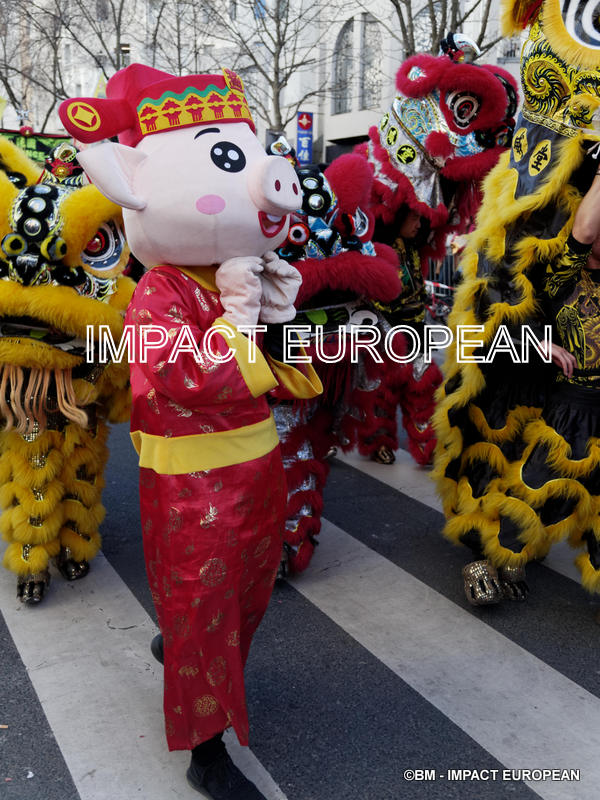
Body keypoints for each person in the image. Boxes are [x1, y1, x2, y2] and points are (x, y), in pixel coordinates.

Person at [59, 64, 321, 799]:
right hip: (192, 483)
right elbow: (184, 378)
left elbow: (282, 368)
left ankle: (191, 656)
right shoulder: (159, 291)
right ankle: (206, 751)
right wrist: (241, 323)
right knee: (203, 605)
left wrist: (274, 320)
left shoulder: (240, 267)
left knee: (246, 596)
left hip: (258, 466)